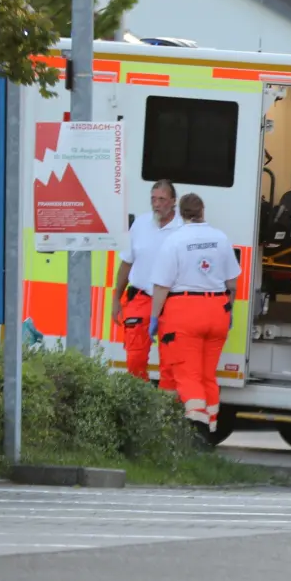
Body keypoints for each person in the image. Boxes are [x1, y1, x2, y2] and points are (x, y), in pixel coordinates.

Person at [150, 194, 240, 431]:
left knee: (187, 374)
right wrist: (229, 309)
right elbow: (232, 283)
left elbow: (161, 286)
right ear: (203, 211)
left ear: (180, 212)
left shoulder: (174, 240)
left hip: (184, 311)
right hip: (218, 309)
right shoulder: (220, 238)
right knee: (207, 375)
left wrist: (154, 317)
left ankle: (197, 429)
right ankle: (211, 428)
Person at [111, 180, 182, 382]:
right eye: (153, 199)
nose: (156, 204)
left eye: (162, 199)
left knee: (170, 361)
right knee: (135, 356)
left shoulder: (182, 229)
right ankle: (140, 402)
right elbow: (126, 263)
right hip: (141, 297)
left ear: (173, 201)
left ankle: (166, 407)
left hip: (172, 301)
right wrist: (116, 299)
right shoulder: (141, 224)